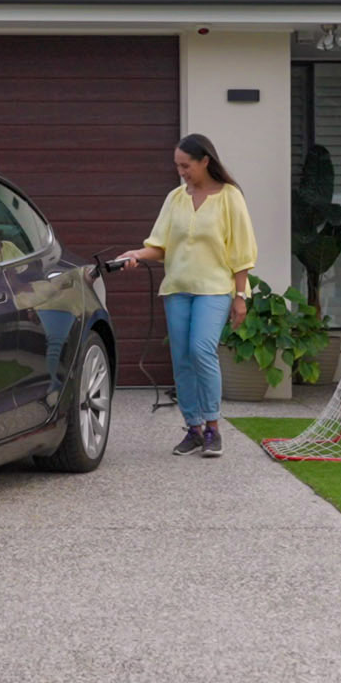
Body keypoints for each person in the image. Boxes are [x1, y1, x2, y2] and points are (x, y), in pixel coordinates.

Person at [115, 133, 258, 459]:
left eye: (186, 165)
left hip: (215, 289)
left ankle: (213, 429)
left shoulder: (229, 197)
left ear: (205, 161)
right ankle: (193, 429)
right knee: (181, 358)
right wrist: (135, 253)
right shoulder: (175, 198)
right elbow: (160, 245)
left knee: (201, 350)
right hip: (177, 289)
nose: (181, 171)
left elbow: (242, 251)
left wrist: (240, 296)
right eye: (177, 166)